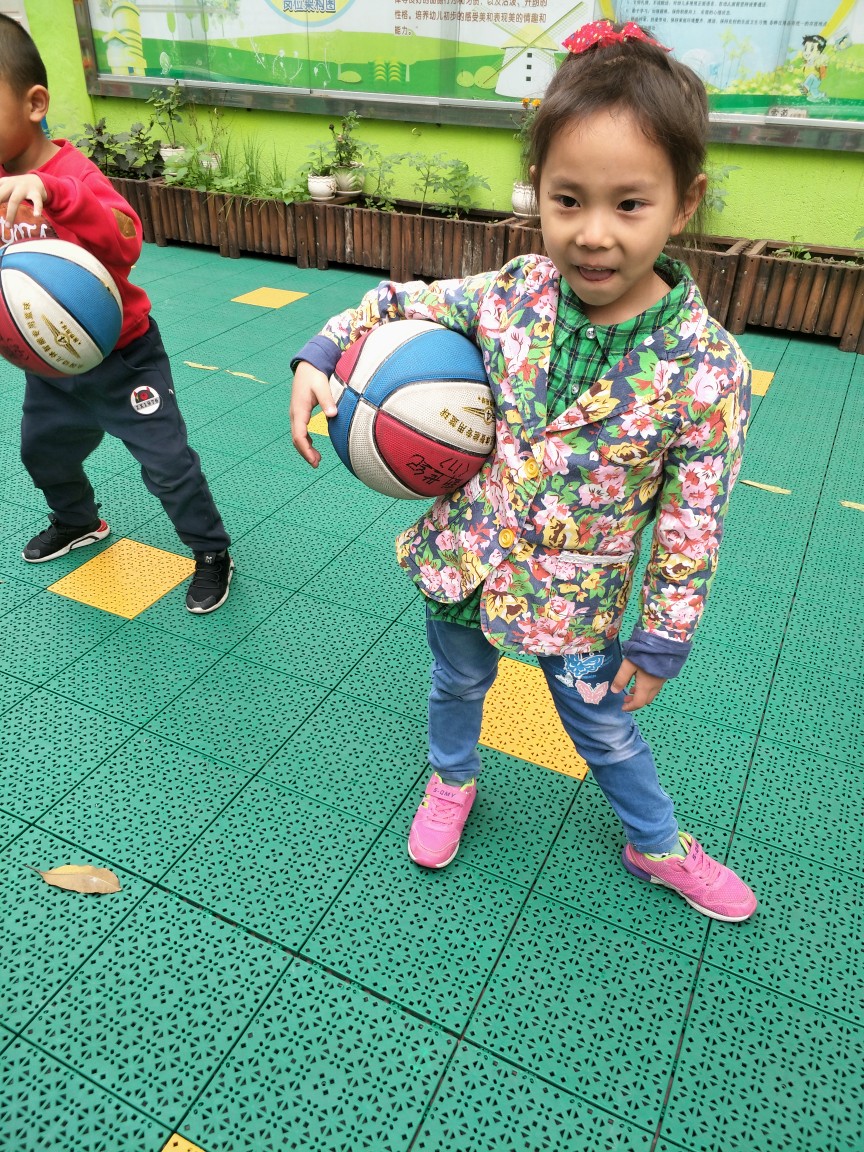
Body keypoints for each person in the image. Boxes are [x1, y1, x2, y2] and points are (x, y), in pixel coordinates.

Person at [290, 20, 756, 922]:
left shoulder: (708, 372)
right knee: (456, 681)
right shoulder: (516, 292)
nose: (592, 234)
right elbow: (405, 301)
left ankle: (656, 842)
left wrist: (663, 636)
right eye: (567, 199)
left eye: (630, 204)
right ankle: (452, 780)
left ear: (684, 203)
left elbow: (693, 524)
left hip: (573, 599)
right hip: (465, 556)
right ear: (536, 187)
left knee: (602, 726)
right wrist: (325, 349)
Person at [0, 15, 233, 614]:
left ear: (34, 103)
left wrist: (58, 195)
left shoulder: (73, 175)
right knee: (42, 452)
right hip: (51, 365)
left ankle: (211, 552)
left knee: (168, 465)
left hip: (124, 359)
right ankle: (78, 521)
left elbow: (127, 240)